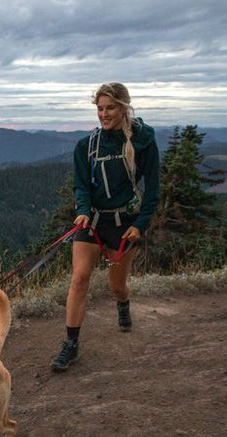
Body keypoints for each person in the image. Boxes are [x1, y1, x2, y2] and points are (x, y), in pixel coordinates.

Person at [51, 82, 159, 372]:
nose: (103, 114)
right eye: (99, 108)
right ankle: (71, 344)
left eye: (110, 108)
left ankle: (123, 304)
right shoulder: (86, 145)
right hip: (93, 222)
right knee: (79, 278)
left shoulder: (143, 140)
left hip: (124, 224)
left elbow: (152, 189)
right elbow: (81, 186)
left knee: (116, 285)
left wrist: (140, 224)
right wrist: (83, 211)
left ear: (124, 107)